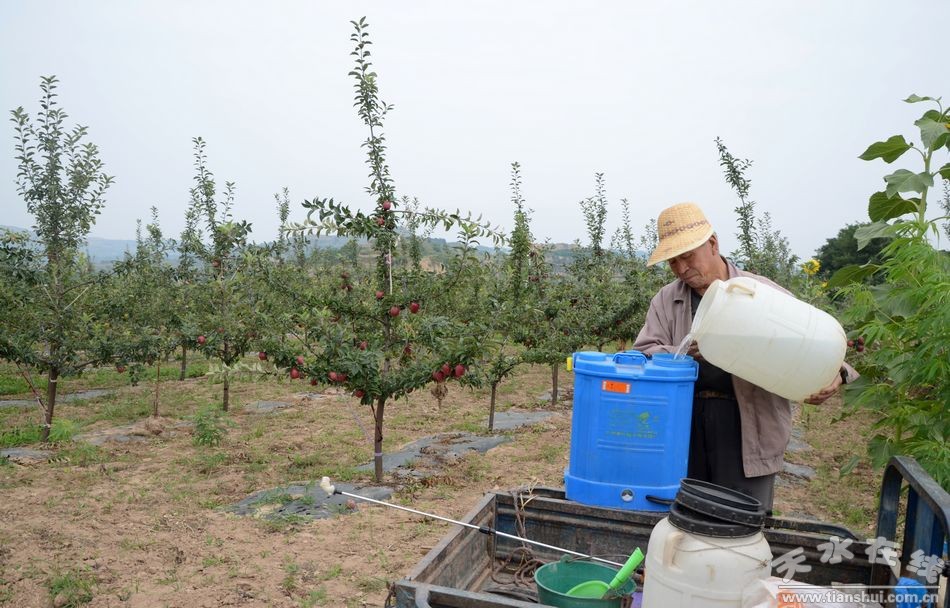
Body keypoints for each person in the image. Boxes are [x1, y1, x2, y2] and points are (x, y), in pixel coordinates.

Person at [632, 202, 856, 511]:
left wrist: (838, 372)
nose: (682, 269)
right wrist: (686, 355)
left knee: (743, 520)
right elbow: (643, 353)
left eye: (688, 256)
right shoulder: (667, 300)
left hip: (748, 425)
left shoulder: (758, 293)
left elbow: (808, 337)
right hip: (686, 424)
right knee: (686, 516)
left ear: (713, 244)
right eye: (673, 262)